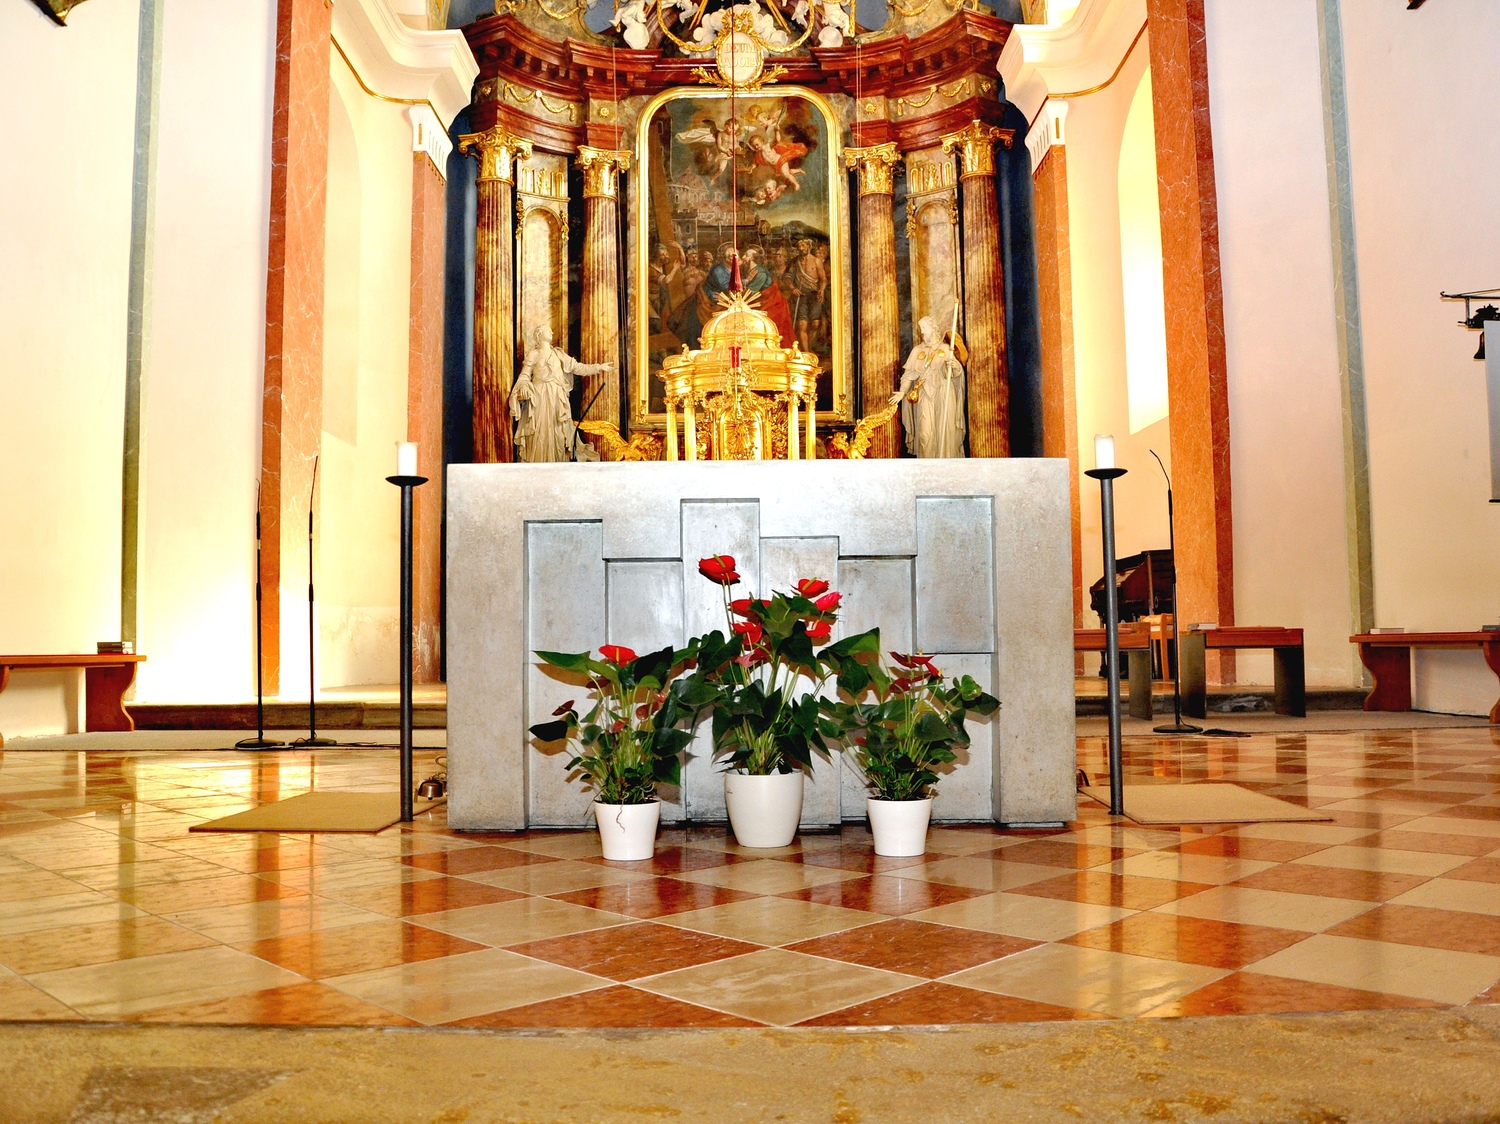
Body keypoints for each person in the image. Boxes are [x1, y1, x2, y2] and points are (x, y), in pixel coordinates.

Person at [510, 324, 615, 463]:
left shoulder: (558, 354)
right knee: (540, 431)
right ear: (539, 334)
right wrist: (523, 384)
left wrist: (599, 367)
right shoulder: (533, 354)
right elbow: (524, 375)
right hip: (539, 396)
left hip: (557, 397)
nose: (551, 332)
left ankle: (558, 463)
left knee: (559, 432)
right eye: (548, 330)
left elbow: (577, 367)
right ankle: (538, 464)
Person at [890, 315, 966, 459]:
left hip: (944, 392)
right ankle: (927, 467)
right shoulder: (917, 350)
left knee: (945, 432)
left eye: (924, 328)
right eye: (921, 329)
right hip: (925, 393)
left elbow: (956, 374)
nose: (922, 332)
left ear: (933, 328)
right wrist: (902, 391)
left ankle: (945, 467)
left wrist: (954, 366)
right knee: (925, 434)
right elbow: (909, 375)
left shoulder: (946, 348)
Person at [740, 246, 795, 347]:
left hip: (773, 305)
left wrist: (735, 295)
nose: (743, 257)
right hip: (764, 302)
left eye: (746, 255)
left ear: (752, 258)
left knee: (770, 330)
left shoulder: (760, 273)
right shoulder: (750, 270)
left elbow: (750, 292)